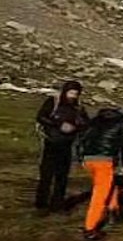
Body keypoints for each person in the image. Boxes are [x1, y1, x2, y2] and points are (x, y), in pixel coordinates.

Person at [77, 106, 123, 241]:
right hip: (105, 160)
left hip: (88, 159)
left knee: (109, 184)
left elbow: (81, 138)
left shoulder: (97, 119)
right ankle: (90, 228)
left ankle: (113, 210)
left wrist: (81, 158)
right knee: (100, 194)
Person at [34, 80, 89, 212]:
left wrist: (75, 127)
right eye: (71, 93)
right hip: (51, 142)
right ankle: (41, 203)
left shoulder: (79, 107)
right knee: (46, 175)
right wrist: (59, 124)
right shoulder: (53, 102)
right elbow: (41, 117)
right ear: (65, 92)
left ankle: (57, 204)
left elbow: (86, 123)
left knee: (62, 176)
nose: (73, 96)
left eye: (76, 94)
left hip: (67, 144)